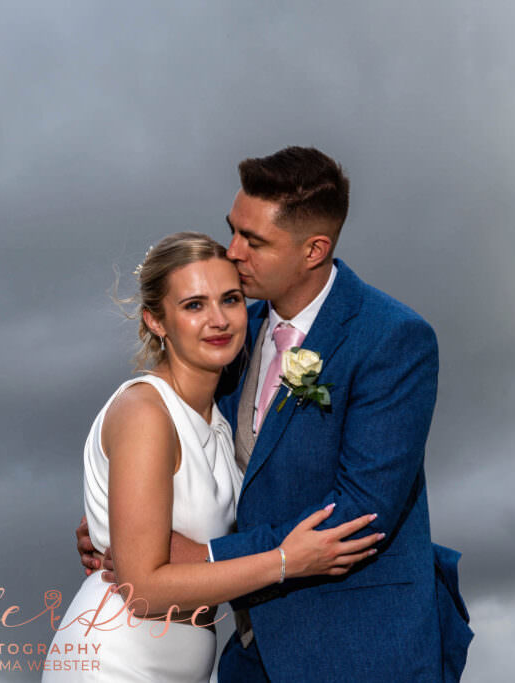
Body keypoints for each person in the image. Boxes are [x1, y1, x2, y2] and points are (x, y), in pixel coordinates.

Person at [79, 148, 473, 681]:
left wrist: (203, 554)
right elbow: (186, 449)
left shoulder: (391, 338)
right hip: (244, 652)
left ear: (314, 250)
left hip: (357, 647)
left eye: (254, 241)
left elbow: (361, 513)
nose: (233, 252)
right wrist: (124, 524)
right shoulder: (233, 330)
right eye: (233, 230)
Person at [45, 232, 381, 682]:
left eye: (231, 299)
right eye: (194, 305)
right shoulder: (146, 412)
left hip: (189, 661)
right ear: (156, 321)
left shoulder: (222, 420)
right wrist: (285, 561)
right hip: (117, 657)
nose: (219, 320)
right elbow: (141, 586)